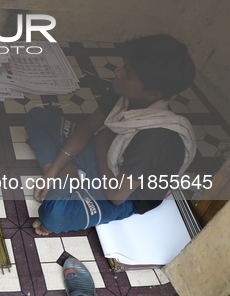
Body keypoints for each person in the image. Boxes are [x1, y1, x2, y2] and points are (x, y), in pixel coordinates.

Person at [25, 34, 196, 235]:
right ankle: (67, 174)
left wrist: (101, 149)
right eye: (123, 66)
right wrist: (52, 172)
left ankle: (71, 179)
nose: (118, 72)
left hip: (125, 192)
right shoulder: (123, 92)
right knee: (36, 117)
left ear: (153, 94)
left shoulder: (155, 138)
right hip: (108, 156)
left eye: (128, 74)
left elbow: (116, 196)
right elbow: (88, 128)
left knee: (54, 216)